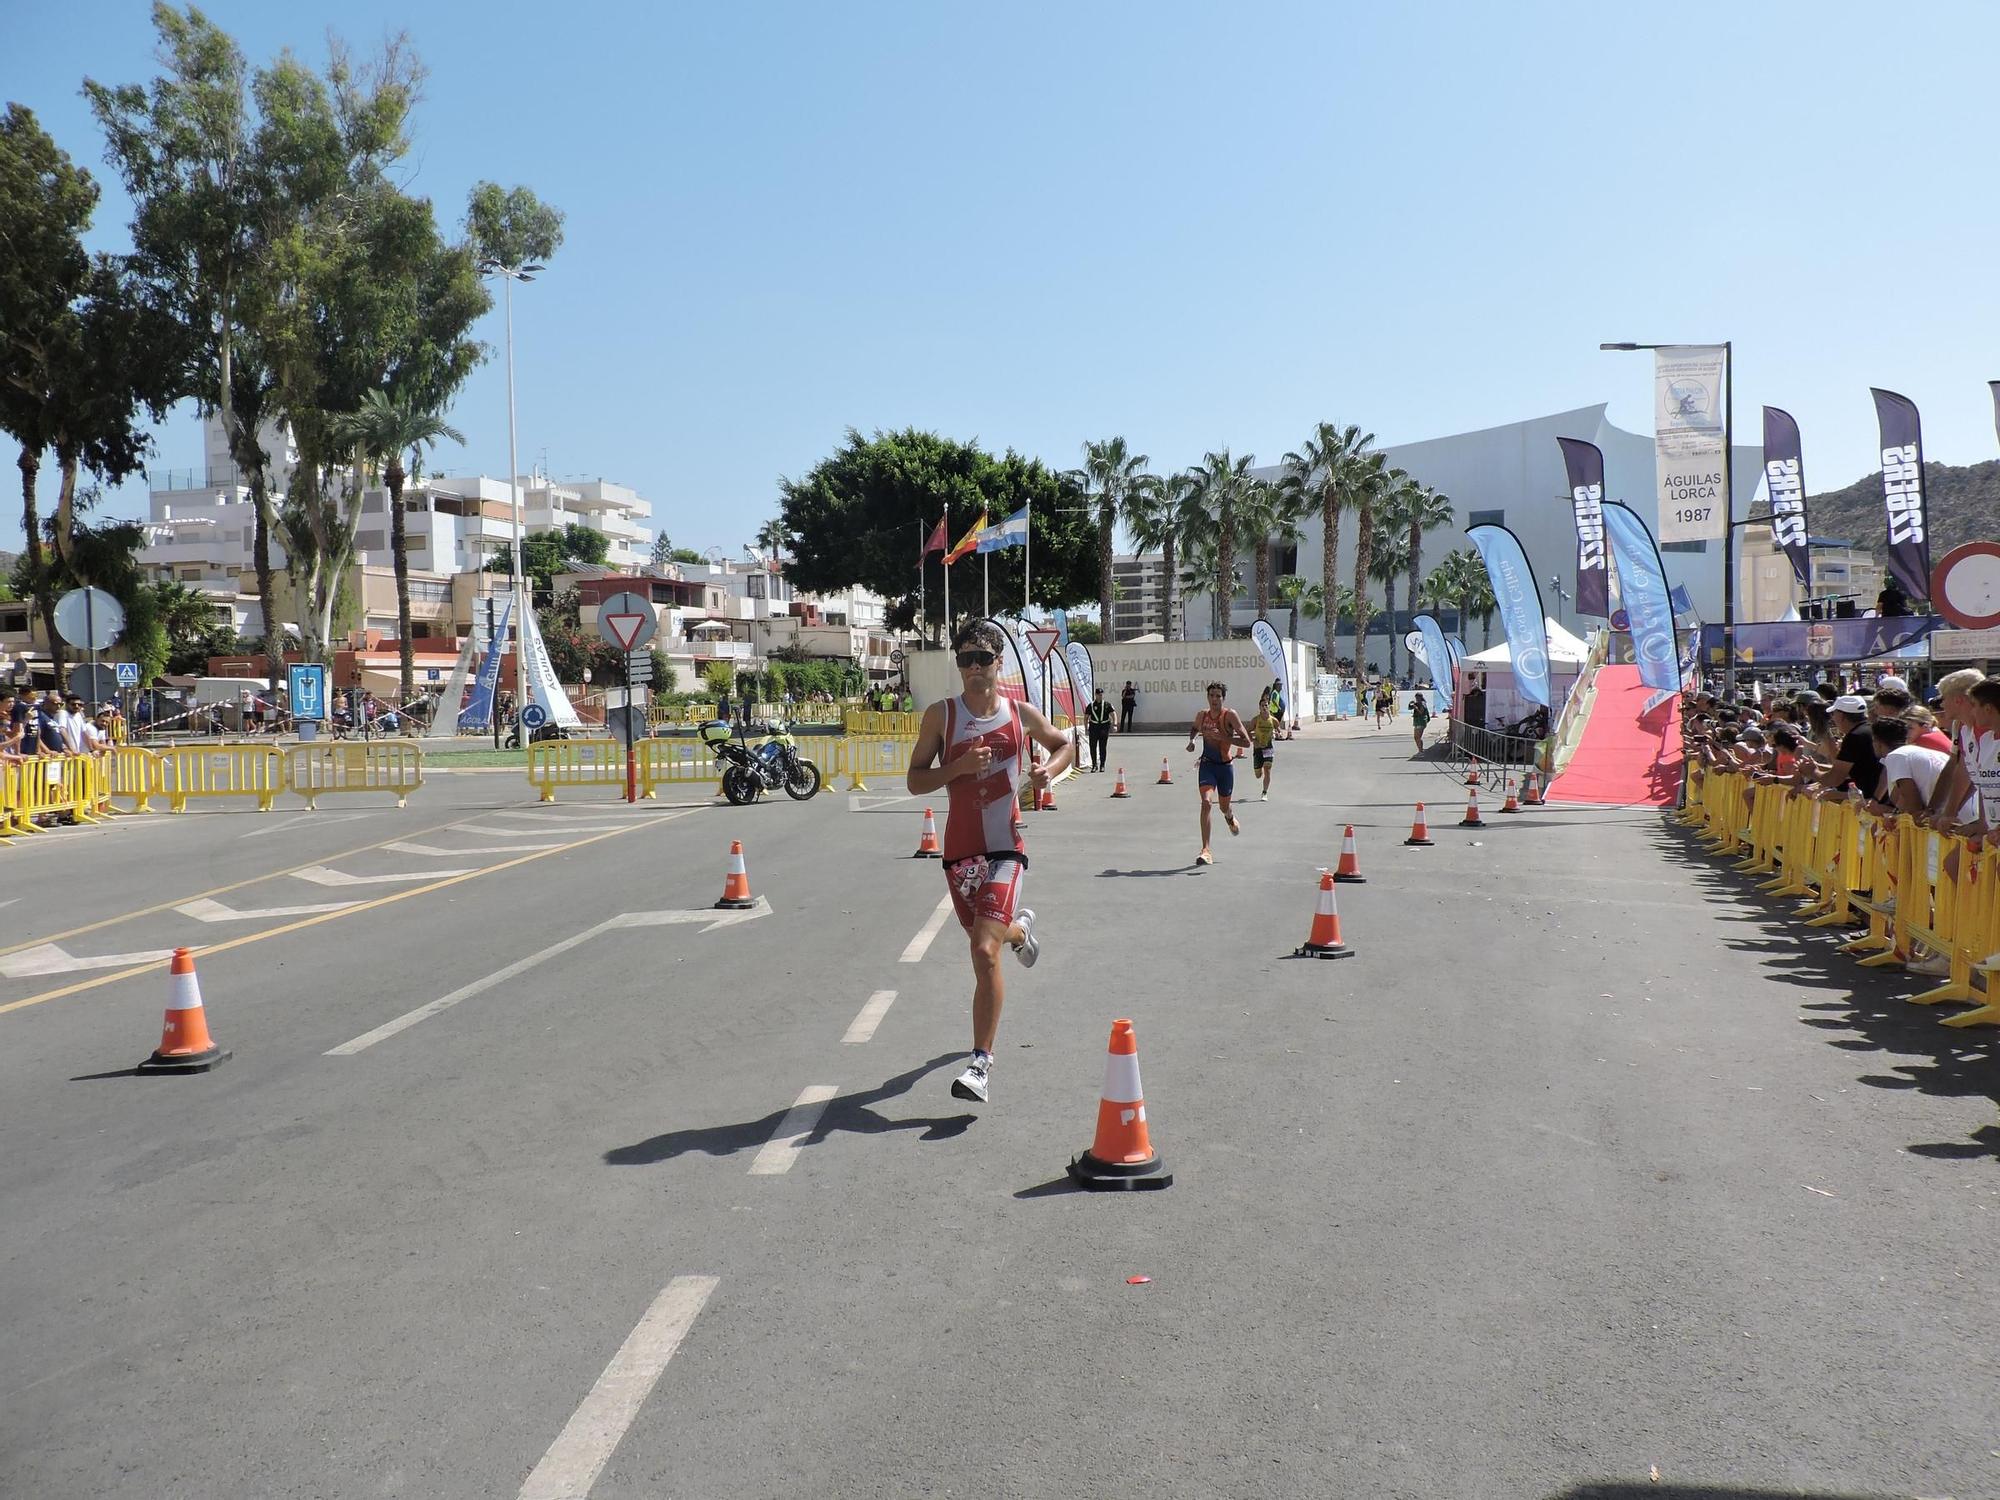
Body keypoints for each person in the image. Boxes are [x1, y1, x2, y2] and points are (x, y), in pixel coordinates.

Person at [905, 620, 1074, 1104]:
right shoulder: (941, 716)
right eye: (965, 658)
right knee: (994, 939)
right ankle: (1020, 931)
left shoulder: (1020, 714)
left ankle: (981, 1062)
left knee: (983, 951)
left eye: (983, 657)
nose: (974, 667)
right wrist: (956, 767)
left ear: (1000, 662)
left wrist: (1047, 771)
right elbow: (916, 782)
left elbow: (1065, 744)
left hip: (1005, 848)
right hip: (959, 854)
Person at [1186, 681, 1250, 865]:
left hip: (1225, 768)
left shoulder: (1230, 716)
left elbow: (1247, 742)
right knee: (1206, 802)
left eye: (1218, 696)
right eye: (1211, 695)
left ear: (1223, 698)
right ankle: (1206, 850)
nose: (1214, 699)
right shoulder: (1202, 715)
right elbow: (1194, 729)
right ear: (1208, 697)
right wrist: (1192, 741)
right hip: (1207, 765)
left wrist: (1224, 737)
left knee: (1223, 807)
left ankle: (1229, 817)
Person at [1249, 699, 1277, 800]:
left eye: (1266, 705)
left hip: (1268, 748)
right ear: (1259, 708)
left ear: (1268, 706)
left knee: (1268, 770)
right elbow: (1247, 731)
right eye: (1262, 706)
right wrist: (1253, 741)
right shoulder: (1255, 720)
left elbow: (1279, 729)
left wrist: (1278, 733)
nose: (1264, 708)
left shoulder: (1273, 720)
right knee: (1258, 775)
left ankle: (1264, 792)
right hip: (1258, 749)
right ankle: (1258, 769)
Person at [1084, 686, 1114, 773]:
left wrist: (1115, 724)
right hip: (1094, 727)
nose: (1100, 696)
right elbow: (1086, 717)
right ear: (1095, 695)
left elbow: (1113, 714)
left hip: (1104, 727)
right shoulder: (1091, 705)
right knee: (1092, 747)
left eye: (1101, 694)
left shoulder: (1107, 704)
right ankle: (1094, 765)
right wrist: (1086, 728)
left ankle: (1102, 765)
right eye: (1098, 694)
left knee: (1102, 747)